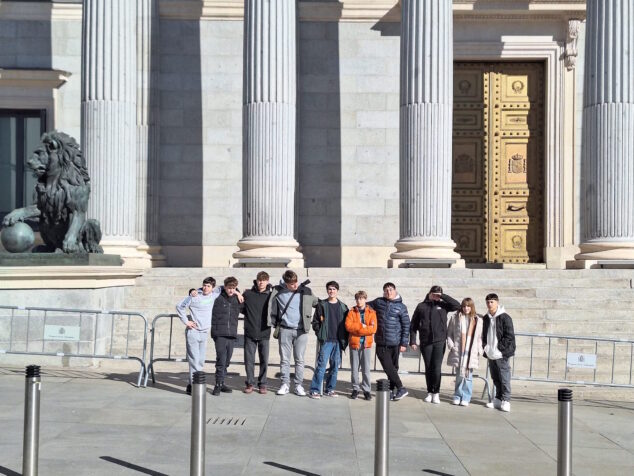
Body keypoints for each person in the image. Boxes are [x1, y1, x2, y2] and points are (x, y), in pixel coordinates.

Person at [267, 270, 318, 396]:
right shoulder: (278, 291)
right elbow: (267, 301)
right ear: (285, 283)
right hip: (285, 329)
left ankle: (298, 385)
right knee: (285, 359)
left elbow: (317, 303)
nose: (295, 285)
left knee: (299, 359)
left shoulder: (305, 290)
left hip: (302, 331)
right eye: (291, 284)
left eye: (296, 282)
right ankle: (285, 384)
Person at [410, 285, 460, 404]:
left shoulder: (443, 305)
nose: (436, 296)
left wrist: (442, 296)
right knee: (428, 367)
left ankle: (436, 392)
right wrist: (412, 340)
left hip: (439, 341)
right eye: (434, 293)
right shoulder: (421, 306)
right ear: (429, 293)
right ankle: (429, 392)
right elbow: (413, 325)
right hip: (426, 341)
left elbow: (457, 305)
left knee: (436, 368)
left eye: (439, 294)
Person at [175, 276, 221, 395]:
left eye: (208, 286)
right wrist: (186, 321)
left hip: (204, 333)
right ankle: (196, 386)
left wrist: (237, 293)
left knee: (200, 361)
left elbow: (222, 288)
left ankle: (191, 384)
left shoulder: (214, 295)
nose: (206, 288)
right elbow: (179, 306)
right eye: (204, 285)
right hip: (193, 332)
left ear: (212, 288)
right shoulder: (194, 297)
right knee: (194, 360)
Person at [368, 282, 410, 401]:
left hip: (395, 342)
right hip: (381, 342)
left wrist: (404, 343)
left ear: (395, 290)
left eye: (391, 290)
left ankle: (391, 391)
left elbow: (406, 325)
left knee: (393, 368)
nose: (388, 292)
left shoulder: (401, 307)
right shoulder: (378, 302)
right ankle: (401, 388)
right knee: (388, 367)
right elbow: (365, 305)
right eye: (386, 290)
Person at [309, 281, 349, 399]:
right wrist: (320, 332)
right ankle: (314, 390)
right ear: (327, 291)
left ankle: (330, 389)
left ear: (337, 290)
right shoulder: (322, 305)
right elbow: (315, 321)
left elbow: (346, 324)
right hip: (326, 341)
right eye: (330, 289)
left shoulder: (343, 307)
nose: (332, 291)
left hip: (338, 341)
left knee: (335, 366)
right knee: (321, 366)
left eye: (334, 289)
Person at [446, 297, 483, 407]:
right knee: (459, 376)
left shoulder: (478, 320)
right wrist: (452, 345)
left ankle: (466, 397)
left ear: (472, 307)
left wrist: (479, 349)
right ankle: (457, 396)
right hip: (459, 351)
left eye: (468, 306)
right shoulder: (455, 318)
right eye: (464, 306)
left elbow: (480, 337)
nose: (466, 308)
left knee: (468, 377)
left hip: (470, 351)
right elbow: (449, 334)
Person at [482, 293, 516, 412]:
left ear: (497, 302)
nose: (489, 304)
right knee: (495, 377)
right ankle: (498, 399)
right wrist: (485, 347)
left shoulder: (505, 317)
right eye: (488, 302)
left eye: (492, 302)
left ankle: (506, 400)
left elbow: (509, 336)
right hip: (491, 353)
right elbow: (484, 334)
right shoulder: (486, 318)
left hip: (501, 353)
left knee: (504, 377)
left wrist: (500, 348)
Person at [209, 276, 242, 396]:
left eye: (233, 288)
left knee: (227, 361)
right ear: (225, 287)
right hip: (220, 333)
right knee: (221, 360)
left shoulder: (238, 299)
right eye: (229, 288)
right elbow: (206, 290)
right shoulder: (217, 297)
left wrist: (239, 294)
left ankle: (222, 382)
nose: (231, 290)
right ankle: (217, 384)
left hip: (231, 334)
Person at [242, 271, 273, 394]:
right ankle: (250, 383)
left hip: (264, 332)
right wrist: (239, 293)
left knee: (264, 360)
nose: (261, 282)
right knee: (249, 360)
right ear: (256, 280)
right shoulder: (248, 294)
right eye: (259, 280)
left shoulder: (271, 296)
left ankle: (263, 384)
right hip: (250, 332)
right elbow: (241, 308)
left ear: (267, 281)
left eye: (264, 280)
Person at [345, 290, 377, 401]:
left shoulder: (371, 312)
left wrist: (359, 329)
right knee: (354, 368)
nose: (359, 301)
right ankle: (355, 388)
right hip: (355, 343)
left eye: (361, 298)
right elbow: (348, 326)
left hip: (366, 344)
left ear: (365, 299)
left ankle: (367, 390)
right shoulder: (351, 312)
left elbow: (373, 329)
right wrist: (361, 326)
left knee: (366, 369)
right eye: (357, 299)